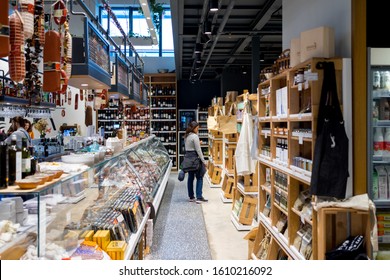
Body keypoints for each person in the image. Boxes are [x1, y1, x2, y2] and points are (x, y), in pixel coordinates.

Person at [183, 121, 208, 203]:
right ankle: (199, 197)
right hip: (195, 159)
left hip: (188, 159)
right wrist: (204, 161)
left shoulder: (186, 136)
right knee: (200, 177)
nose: (198, 130)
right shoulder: (195, 136)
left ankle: (191, 197)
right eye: (197, 128)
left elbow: (189, 147)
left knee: (190, 177)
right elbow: (198, 150)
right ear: (194, 128)